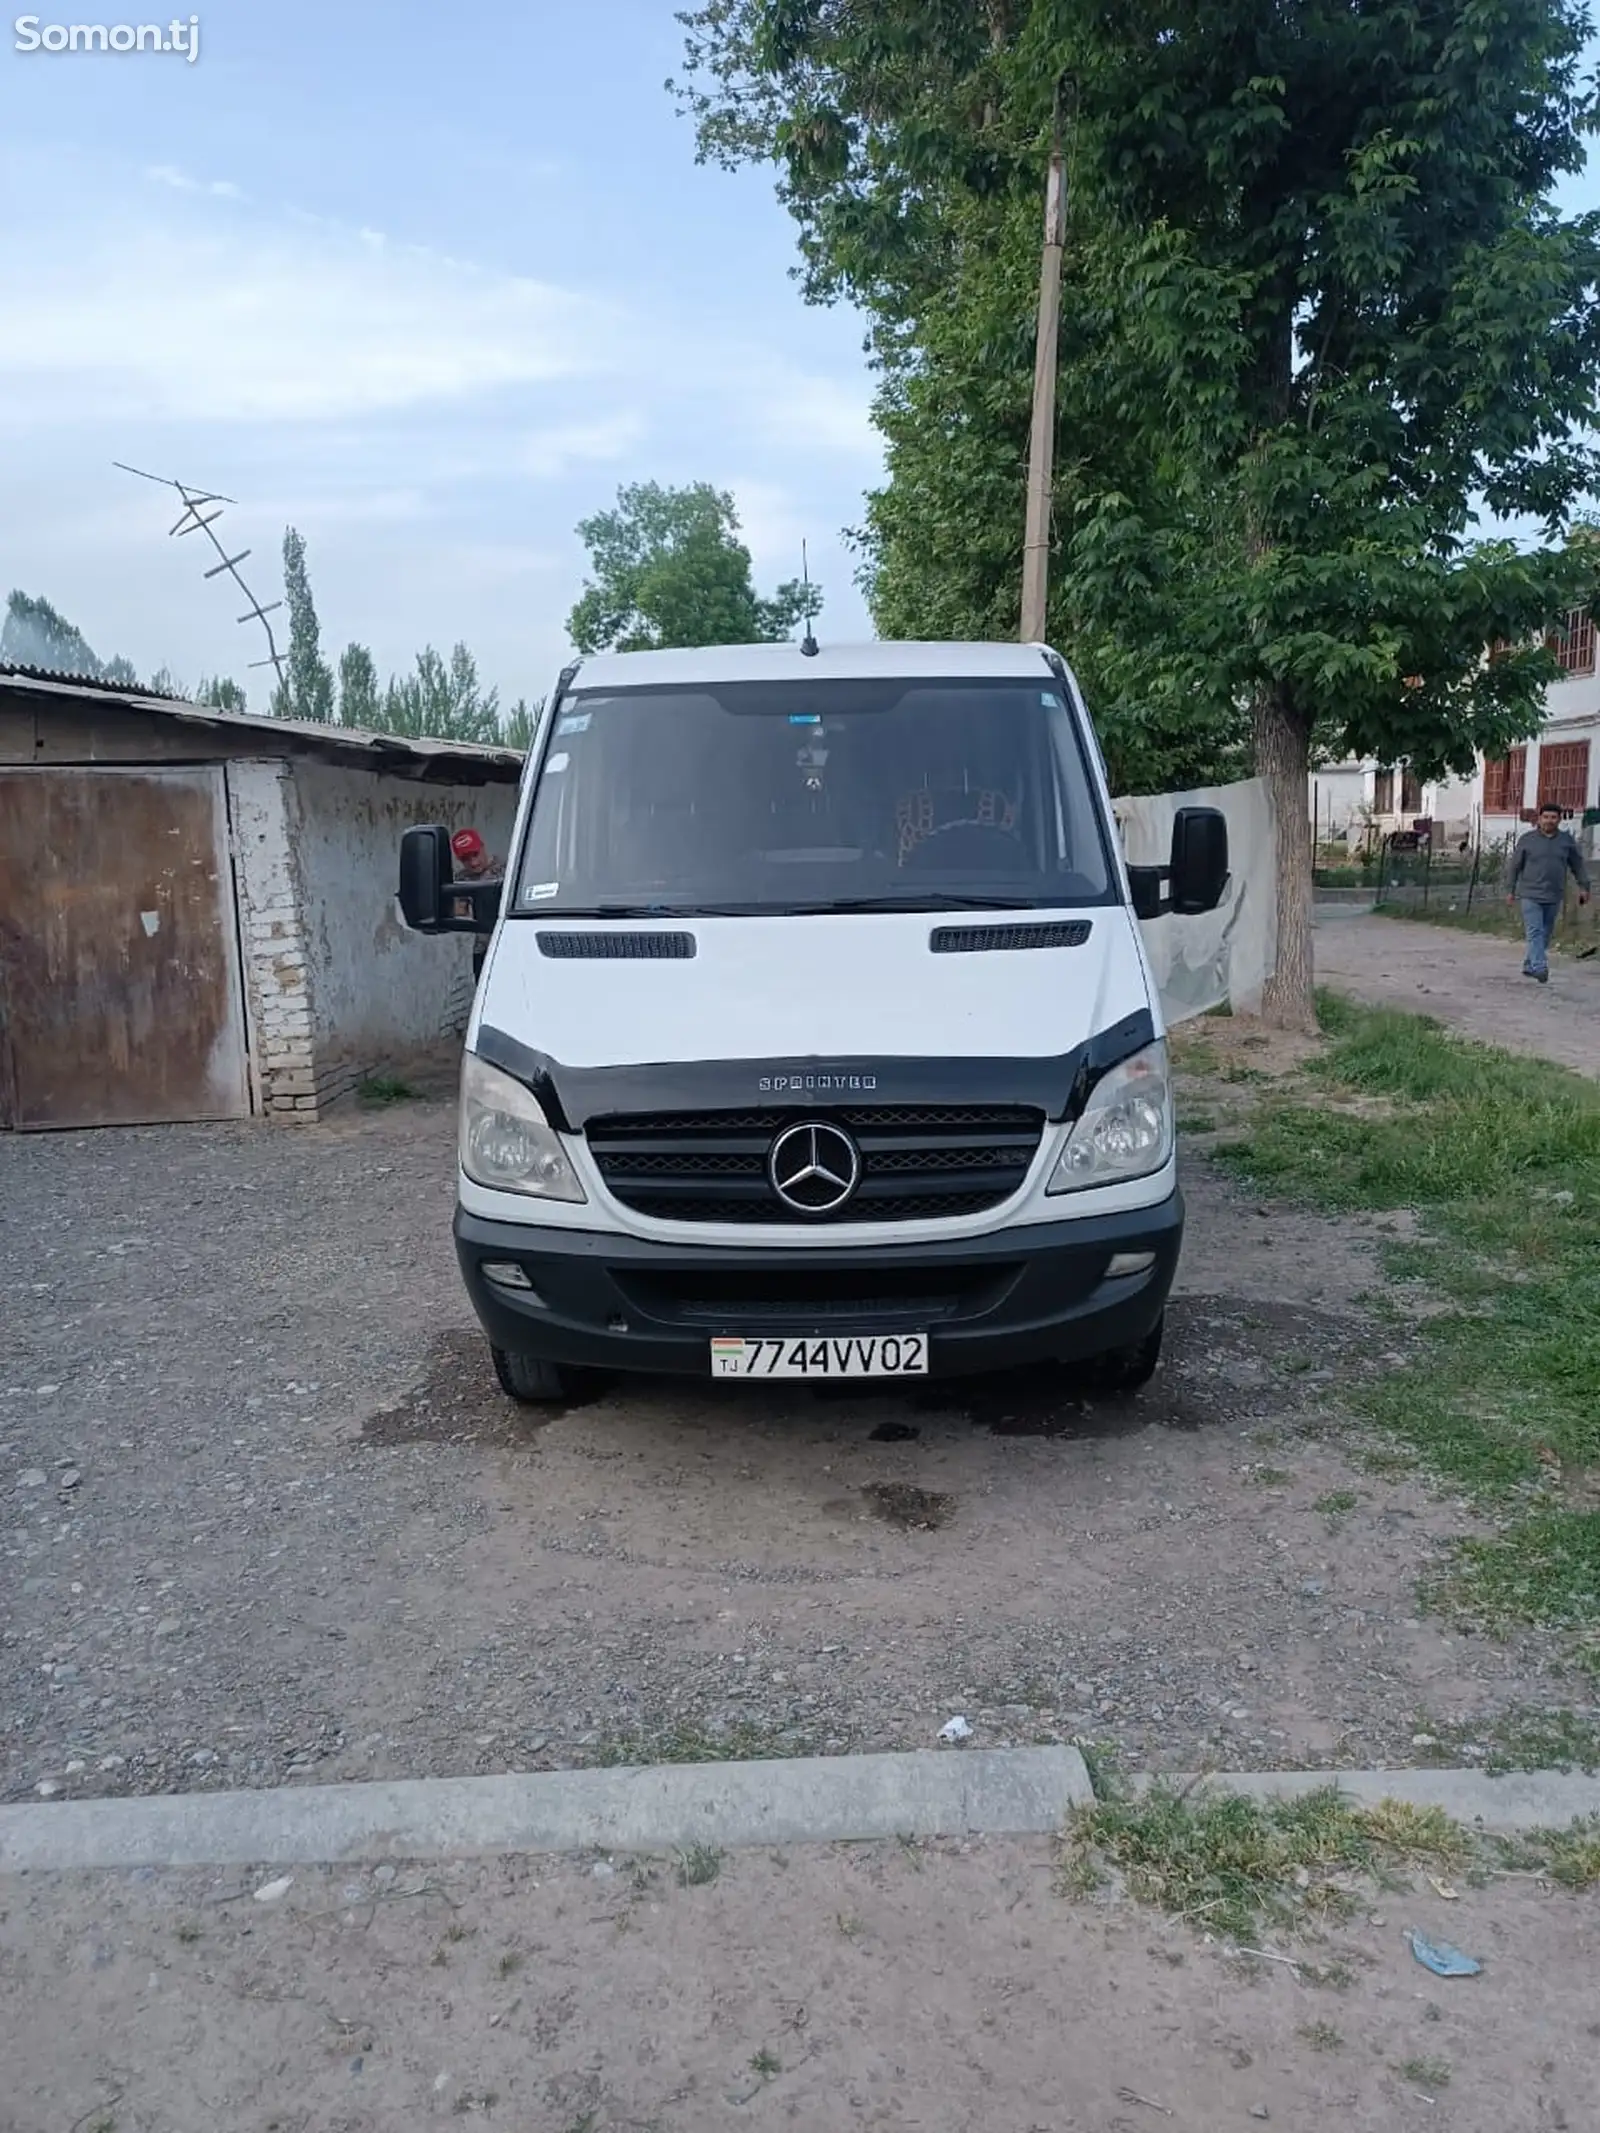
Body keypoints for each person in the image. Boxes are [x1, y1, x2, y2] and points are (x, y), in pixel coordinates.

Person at [1505, 801, 1590, 983]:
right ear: (1539, 819)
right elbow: (1514, 867)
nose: (1549, 821)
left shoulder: (1566, 841)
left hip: (1554, 895)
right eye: (1546, 817)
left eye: (1553, 818)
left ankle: (1530, 964)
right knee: (1535, 931)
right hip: (1530, 894)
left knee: (1545, 932)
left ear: (1559, 820)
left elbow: (1578, 865)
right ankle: (1540, 967)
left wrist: (1584, 887)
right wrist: (1510, 890)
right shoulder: (1527, 840)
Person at [451, 828, 499, 982]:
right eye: (465, 859)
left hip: (508, 943)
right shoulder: (461, 880)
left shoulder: (508, 870)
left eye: (475, 854)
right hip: (482, 949)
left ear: (482, 848)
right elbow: (459, 913)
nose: (473, 862)